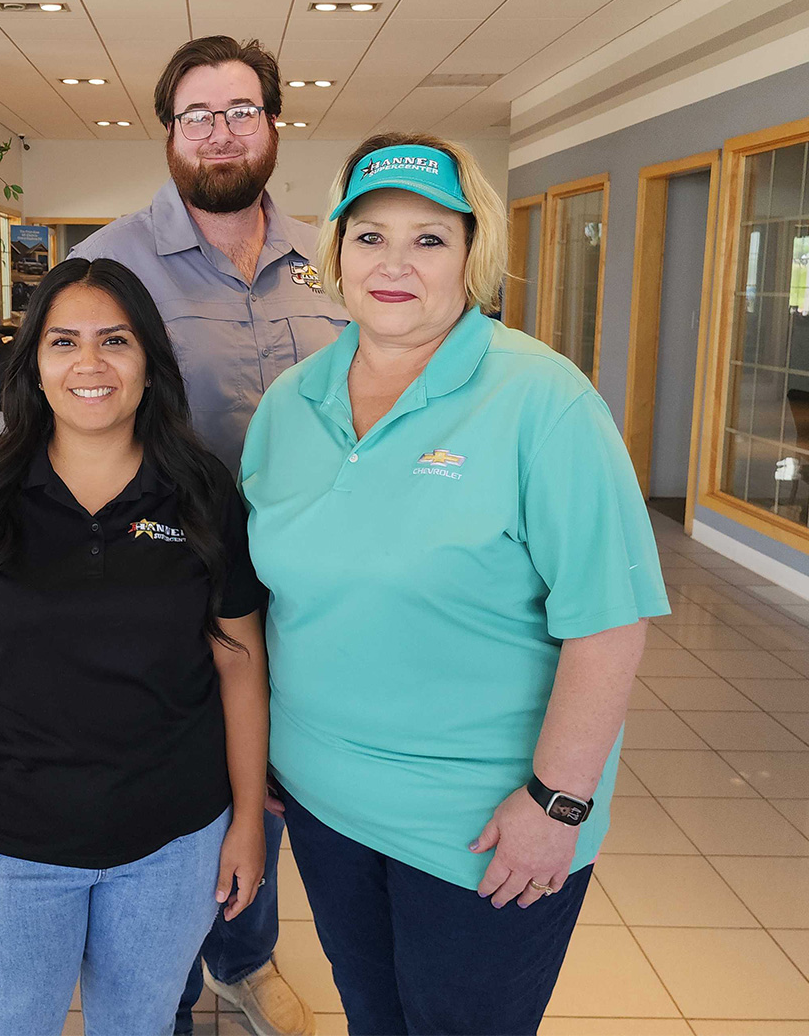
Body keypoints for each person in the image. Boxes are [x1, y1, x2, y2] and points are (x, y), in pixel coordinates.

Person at [238, 133, 671, 1036]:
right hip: (324, 802)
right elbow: (278, 596)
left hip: (484, 824)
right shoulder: (291, 404)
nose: (395, 263)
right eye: (370, 236)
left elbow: (611, 623)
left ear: (474, 257)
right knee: (373, 1019)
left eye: (430, 238)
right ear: (336, 255)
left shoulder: (543, 404)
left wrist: (559, 801)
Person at [0, 258, 269, 1036]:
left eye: (115, 341)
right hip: (8, 846)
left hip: (172, 842)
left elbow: (239, 662)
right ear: (34, 365)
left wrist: (249, 821)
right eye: (63, 342)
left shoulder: (202, 490)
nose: (89, 364)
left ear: (150, 365)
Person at [70, 35, 348, 1036]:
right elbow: (63, 418)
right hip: (162, 579)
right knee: (180, 782)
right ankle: (165, 984)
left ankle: (243, 956)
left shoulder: (338, 259)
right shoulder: (105, 264)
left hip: (313, 584)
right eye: (198, 114)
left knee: (266, 772)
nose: (220, 131)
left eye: (240, 110)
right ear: (170, 132)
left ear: (275, 124)